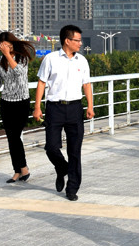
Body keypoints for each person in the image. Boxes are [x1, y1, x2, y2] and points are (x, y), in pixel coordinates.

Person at [33, 24, 95, 201]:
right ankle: (62, 168)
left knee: (75, 151)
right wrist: (37, 107)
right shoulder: (51, 59)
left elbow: (87, 85)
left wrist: (90, 106)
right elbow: (42, 83)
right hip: (55, 108)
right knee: (51, 147)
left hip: (75, 108)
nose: (80, 43)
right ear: (67, 41)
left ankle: (72, 188)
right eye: (77, 40)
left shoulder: (82, 61)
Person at [0, 31, 35, 183]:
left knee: (15, 136)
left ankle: (23, 168)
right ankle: (18, 171)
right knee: (10, 138)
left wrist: (8, 55)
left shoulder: (22, 58)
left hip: (21, 101)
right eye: (2, 46)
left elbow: (19, 73)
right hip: (6, 102)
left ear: (12, 44)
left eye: (7, 45)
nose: (5, 48)